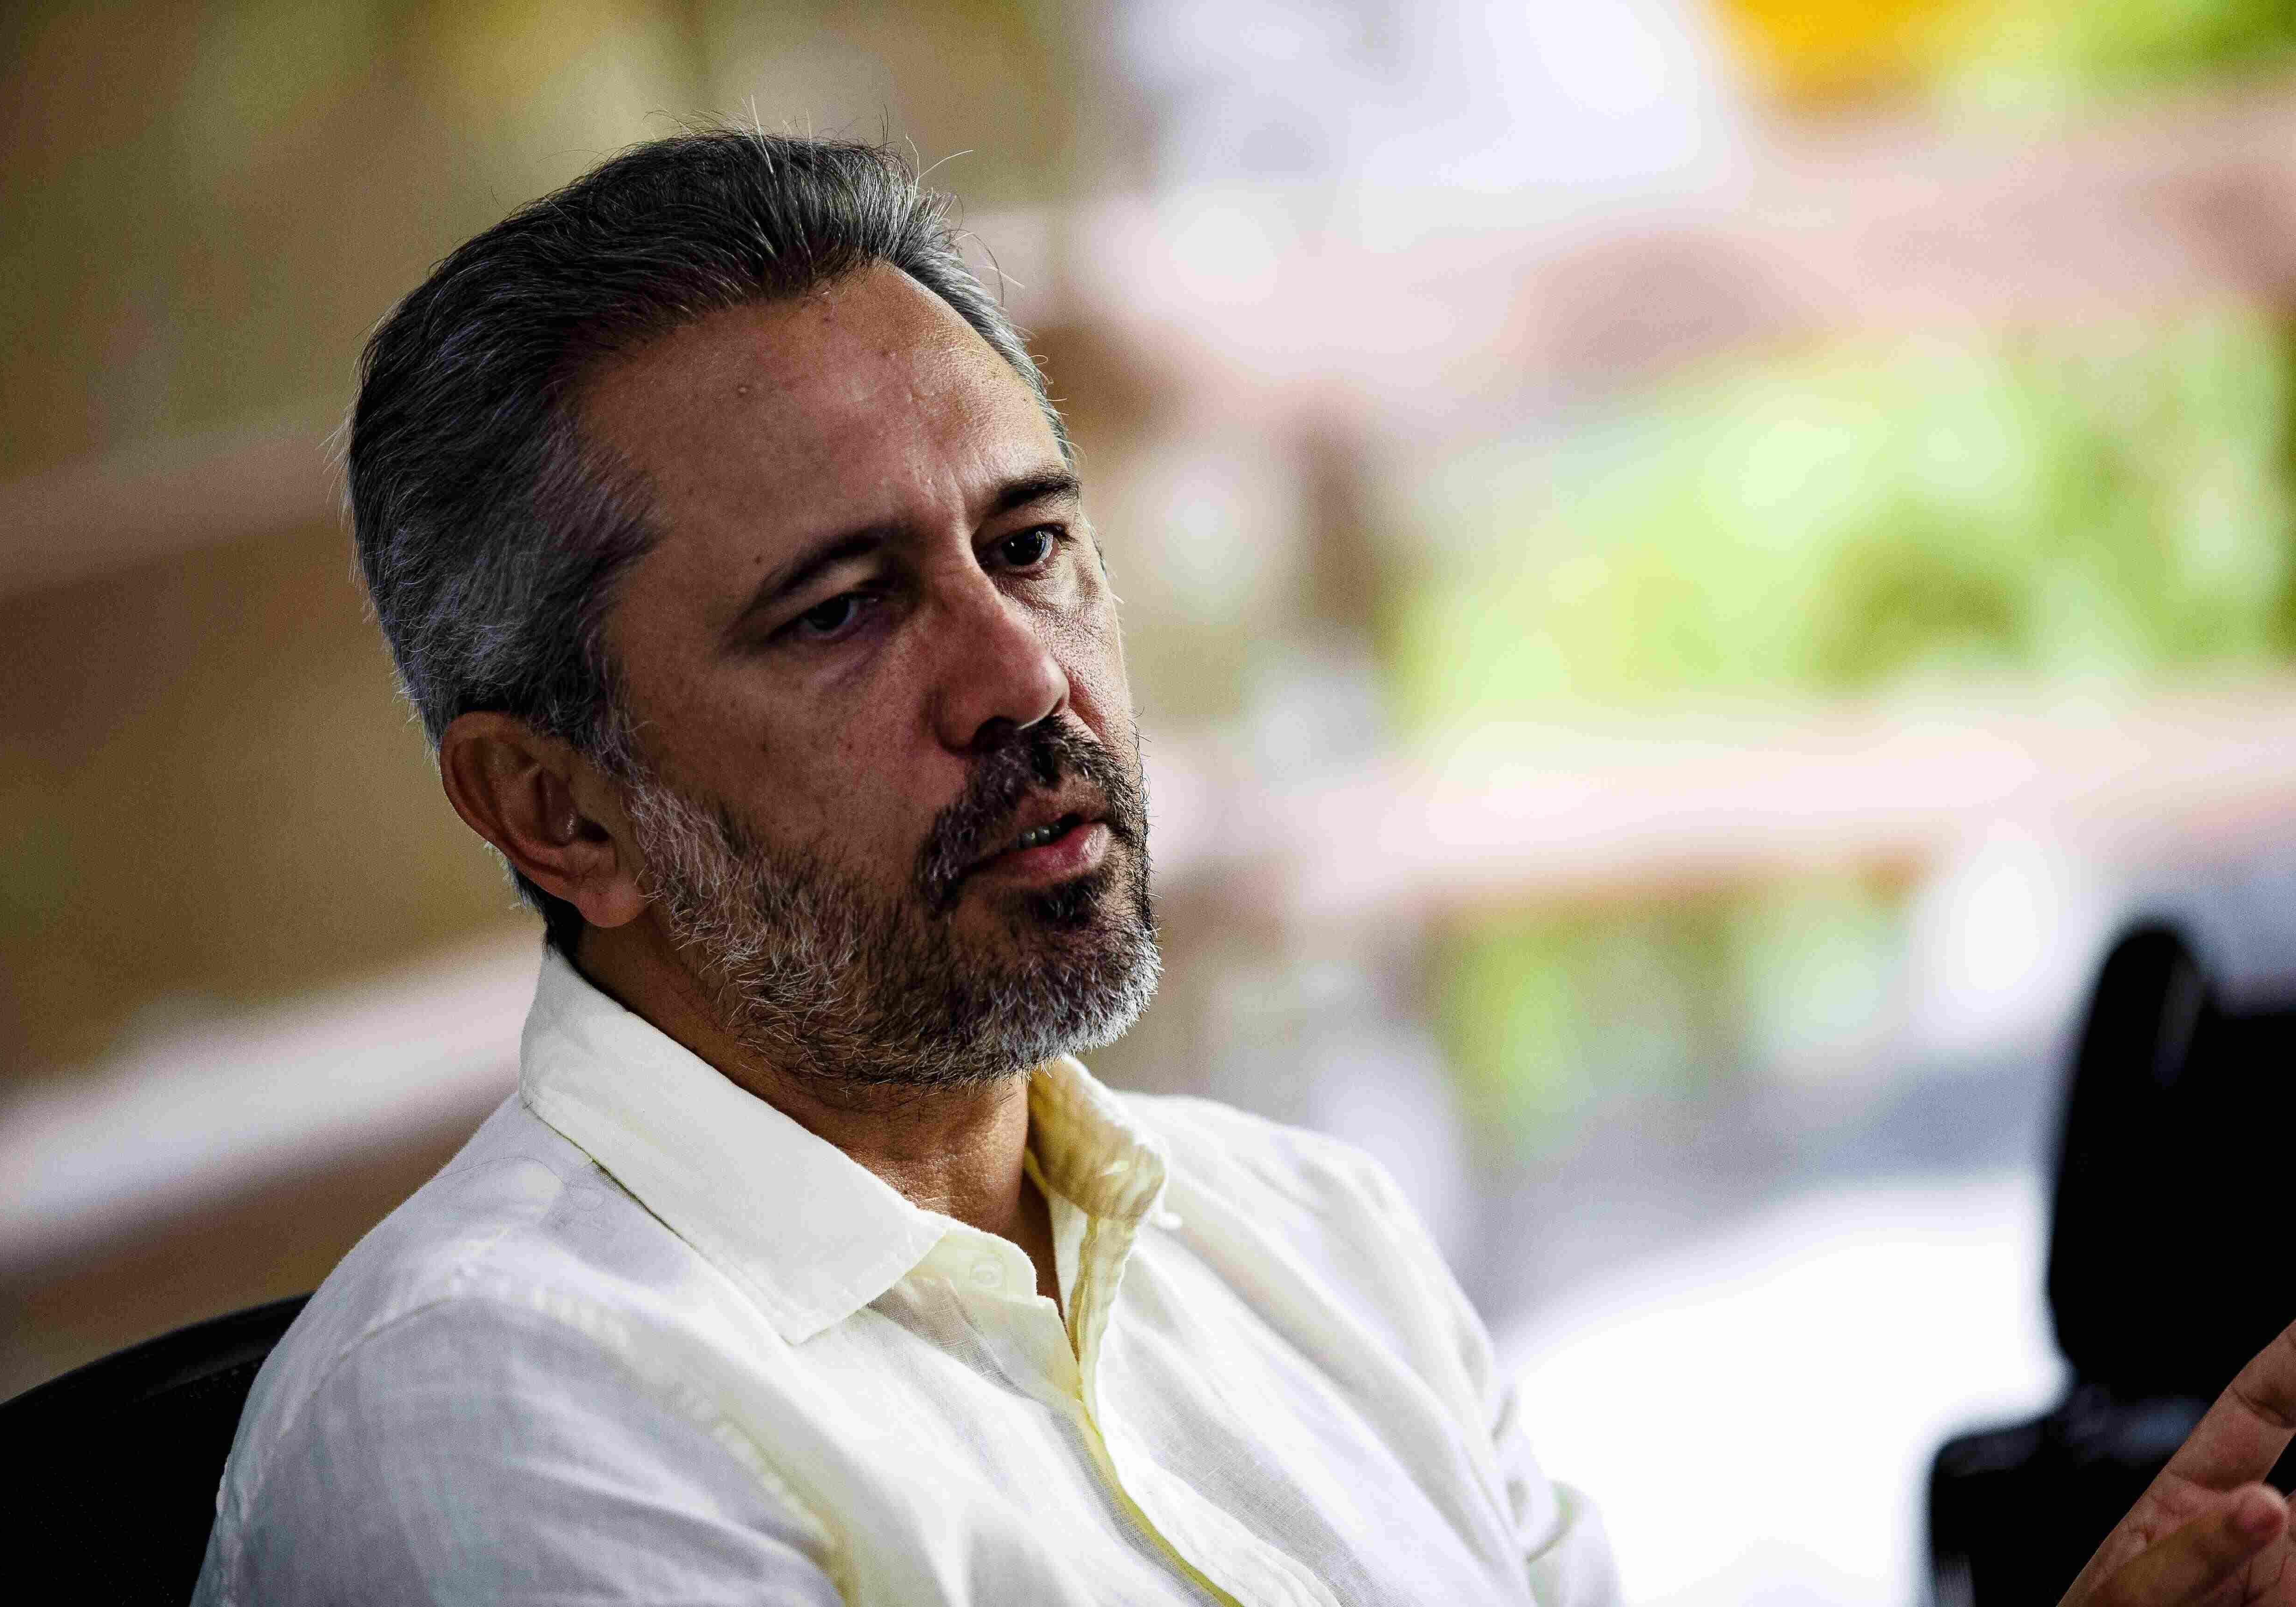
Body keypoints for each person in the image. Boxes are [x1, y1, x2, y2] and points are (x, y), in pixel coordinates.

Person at [192, 130, 2296, 1607]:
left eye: (1030, 542)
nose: (1024, 675)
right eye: (839, 610)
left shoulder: (1304, 1234)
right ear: (554, 810)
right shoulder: (492, 1428)